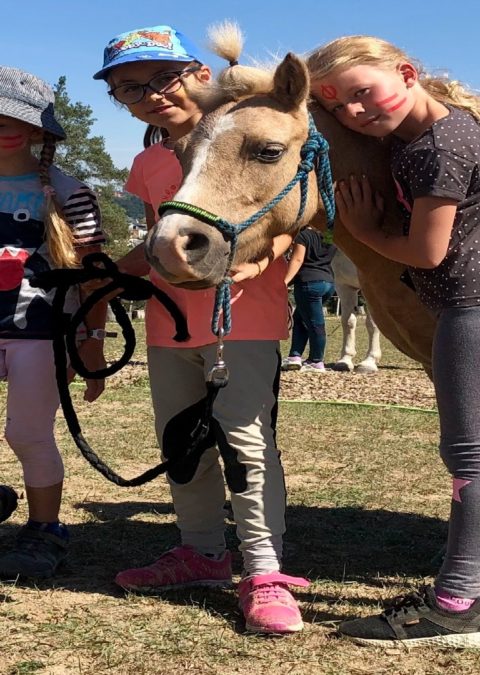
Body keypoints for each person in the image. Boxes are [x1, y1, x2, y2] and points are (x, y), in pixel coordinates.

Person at [307, 35, 480, 648]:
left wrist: (364, 227)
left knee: (471, 455)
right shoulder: (450, 130)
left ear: (405, 74)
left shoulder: (435, 151)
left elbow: (427, 252)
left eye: (362, 92)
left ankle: (456, 603)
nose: (354, 111)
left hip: (475, 313)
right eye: (338, 104)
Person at [93, 25, 306, 635]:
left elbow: (291, 214)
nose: (152, 95)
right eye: (132, 89)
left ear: (199, 75)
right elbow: (160, 242)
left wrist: (271, 259)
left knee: (246, 440)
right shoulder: (147, 161)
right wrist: (94, 275)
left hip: (243, 319)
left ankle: (264, 570)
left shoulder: (247, 137)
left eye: (164, 78)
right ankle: (202, 550)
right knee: (181, 441)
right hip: (167, 324)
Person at [0, 66, 107, 578]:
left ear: (39, 130)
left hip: (40, 333)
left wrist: (91, 343)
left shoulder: (69, 191)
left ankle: (45, 531)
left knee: (29, 434)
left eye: (9, 118)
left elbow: (95, 276)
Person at [282, 226, 337, 372]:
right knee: (300, 318)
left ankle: (316, 360)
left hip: (308, 282)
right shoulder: (329, 236)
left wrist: (285, 281)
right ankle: (295, 356)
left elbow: (298, 259)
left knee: (315, 323)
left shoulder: (303, 236)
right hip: (328, 282)